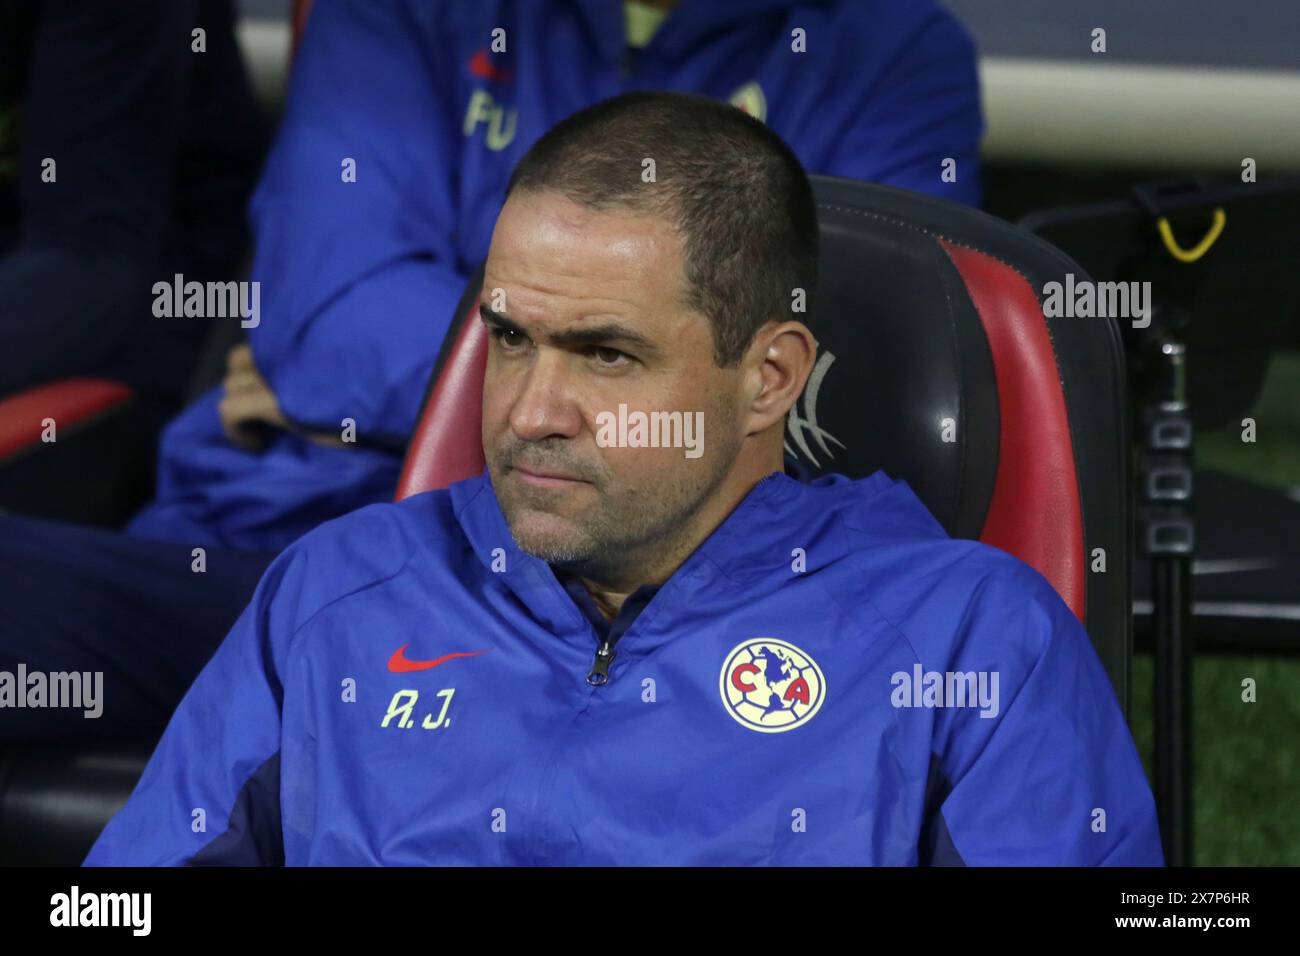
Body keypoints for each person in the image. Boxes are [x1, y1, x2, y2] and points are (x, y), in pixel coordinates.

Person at [85, 92, 1162, 866]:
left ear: (768, 376)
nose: (526, 412)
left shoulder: (971, 640)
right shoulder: (337, 593)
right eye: (510, 337)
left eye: (606, 354)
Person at [2, 0, 987, 741]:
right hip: (284, 548)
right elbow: (328, 323)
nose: (541, 395)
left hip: (642, 596)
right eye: (512, 337)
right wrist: (641, 368)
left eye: (602, 350)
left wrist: (413, 360)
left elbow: (839, 395)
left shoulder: (886, 48)